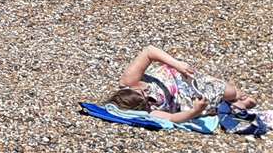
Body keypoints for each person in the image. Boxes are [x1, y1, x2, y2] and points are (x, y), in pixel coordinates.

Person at [108, 46, 259, 122]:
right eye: (146, 99)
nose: (147, 94)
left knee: (231, 92)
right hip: (184, 100)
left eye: (142, 91)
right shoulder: (149, 112)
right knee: (224, 98)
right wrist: (195, 112)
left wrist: (177, 64)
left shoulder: (129, 81)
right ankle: (235, 101)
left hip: (179, 76)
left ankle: (235, 97)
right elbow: (174, 118)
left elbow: (149, 51)